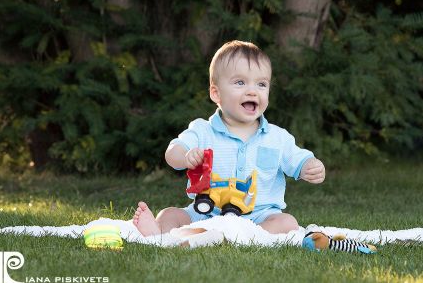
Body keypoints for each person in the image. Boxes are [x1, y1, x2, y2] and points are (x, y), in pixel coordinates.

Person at [133, 40, 326, 236]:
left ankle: (242, 237)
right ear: (216, 93)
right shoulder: (202, 130)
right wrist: (185, 156)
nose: (252, 90)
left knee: (287, 222)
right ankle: (159, 234)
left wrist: (309, 166)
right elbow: (173, 152)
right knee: (170, 214)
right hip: (208, 214)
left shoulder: (277, 137)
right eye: (240, 82)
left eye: (261, 84)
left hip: (259, 217)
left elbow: (298, 159)